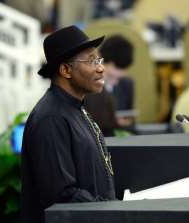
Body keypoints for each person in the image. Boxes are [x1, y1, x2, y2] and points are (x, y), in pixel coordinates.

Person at [21, 26, 116, 223]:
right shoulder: (51, 118)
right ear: (65, 70)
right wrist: (111, 210)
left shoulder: (75, 107)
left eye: (98, 60)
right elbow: (62, 195)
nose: (100, 68)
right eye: (91, 61)